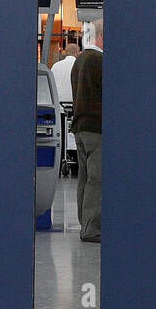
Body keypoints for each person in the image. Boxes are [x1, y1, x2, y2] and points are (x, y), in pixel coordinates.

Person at [70, 19, 104, 242]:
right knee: (97, 179)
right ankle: (92, 229)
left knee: (84, 178)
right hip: (97, 128)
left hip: (81, 127)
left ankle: (84, 222)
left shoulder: (79, 60)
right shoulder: (99, 61)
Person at [50, 37, 80, 106]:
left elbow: (51, 83)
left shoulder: (56, 65)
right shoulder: (79, 65)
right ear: (76, 53)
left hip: (58, 101)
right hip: (75, 102)